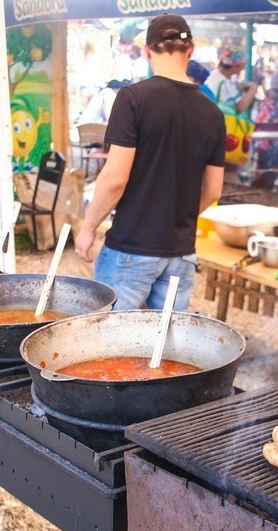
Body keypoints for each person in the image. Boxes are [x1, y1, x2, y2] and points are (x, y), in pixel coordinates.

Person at [74, 14, 225, 312]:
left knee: (115, 345)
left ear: (147, 51)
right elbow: (214, 190)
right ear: (190, 51)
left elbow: (115, 177)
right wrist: (172, 217)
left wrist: (88, 226)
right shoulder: (213, 113)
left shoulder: (133, 99)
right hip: (180, 253)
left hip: (131, 247)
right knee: (165, 350)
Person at [205, 46, 257, 114]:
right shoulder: (222, 82)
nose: (243, 68)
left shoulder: (218, 75)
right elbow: (239, 108)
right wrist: (253, 88)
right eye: (243, 65)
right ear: (235, 66)